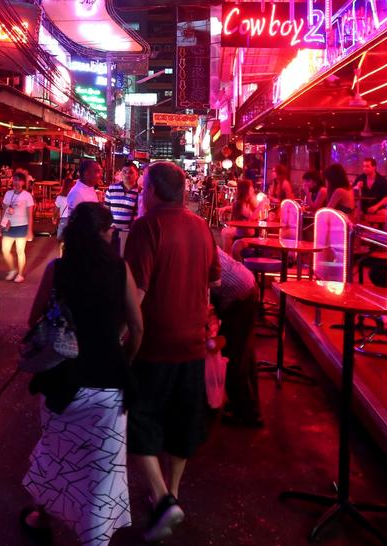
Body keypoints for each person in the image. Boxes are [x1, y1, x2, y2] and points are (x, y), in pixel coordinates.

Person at [21, 202, 143, 546]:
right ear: (105, 234)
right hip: (108, 385)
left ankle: (40, 516)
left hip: (62, 384)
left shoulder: (57, 270)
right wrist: (124, 360)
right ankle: (95, 538)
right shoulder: (120, 270)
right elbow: (137, 327)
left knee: (57, 453)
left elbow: (34, 321)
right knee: (102, 470)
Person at [125, 162, 221, 543]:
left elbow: (137, 295)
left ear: (151, 190)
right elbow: (213, 279)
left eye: (143, 186)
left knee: (138, 417)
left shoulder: (146, 226)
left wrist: (121, 339)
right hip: (193, 342)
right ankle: (172, 494)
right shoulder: (201, 227)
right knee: (183, 420)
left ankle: (162, 497)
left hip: (155, 344)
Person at [213, 247, 263, 428]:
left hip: (238, 296)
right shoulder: (199, 234)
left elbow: (210, 282)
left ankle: (245, 414)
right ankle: (249, 408)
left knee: (234, 356)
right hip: (247, 286)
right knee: (244, 355)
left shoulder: (194, 243)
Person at [1, 171, 34, 283]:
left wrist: (29, 230)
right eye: (15, 179)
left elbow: (30, 214)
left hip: (21, 226)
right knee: (5, 250)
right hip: (9, 226)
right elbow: (4, 210)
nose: (17, 182)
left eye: (19, 180)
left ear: (23, 182)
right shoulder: (8, 194)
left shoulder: (27, 195)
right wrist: (1, 224)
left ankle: (20, 274)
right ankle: (12, 269)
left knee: (20, 251)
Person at [104, 163, 140, 256]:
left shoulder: (141, 192)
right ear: (121, 174)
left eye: (131, 172)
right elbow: (106, 210)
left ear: (137, 175)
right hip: (113, 233)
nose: (127, 175)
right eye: (124, 172)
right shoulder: (112, 189)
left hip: (130, 234)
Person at [221, 177, 259, 253]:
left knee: (227, 232)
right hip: (244, 233)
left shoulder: (249, 202)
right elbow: (252, 217)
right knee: (227, 233)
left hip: (249, 232)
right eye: (251, 188)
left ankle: (228, 256)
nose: (253, 190)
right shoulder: (239, 203)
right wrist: (261, 205)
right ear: (246, 190)